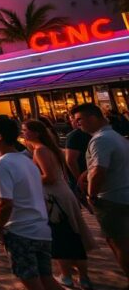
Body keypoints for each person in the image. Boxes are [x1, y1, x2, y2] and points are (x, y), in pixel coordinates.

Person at [0, 116, 62, 290]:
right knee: (47, 278)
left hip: (21, 231)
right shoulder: (26, 160)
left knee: (31, 281)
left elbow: (5, 203)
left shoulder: (2, 163)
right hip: (41, 228)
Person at [22, 120, 96, 289]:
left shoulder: (40, 150)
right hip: (62, 194)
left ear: (36, 133)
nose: (23, 133)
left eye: (25, 130)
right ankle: (82, 276)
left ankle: (67, 275)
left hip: (55, 198)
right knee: (72, 235)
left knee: (61, 237)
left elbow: (50, 177)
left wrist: (30, 178)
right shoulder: (48, 148)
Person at [71, 102, 129, 285]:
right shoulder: (115, 136)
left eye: (80, 120)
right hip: (122, 192)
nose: (77, 124)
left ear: (93, 117)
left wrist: (91, 194)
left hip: (111, 198)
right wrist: (86, 173)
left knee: (118, 242)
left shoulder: (100, 139)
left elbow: (99, 170)